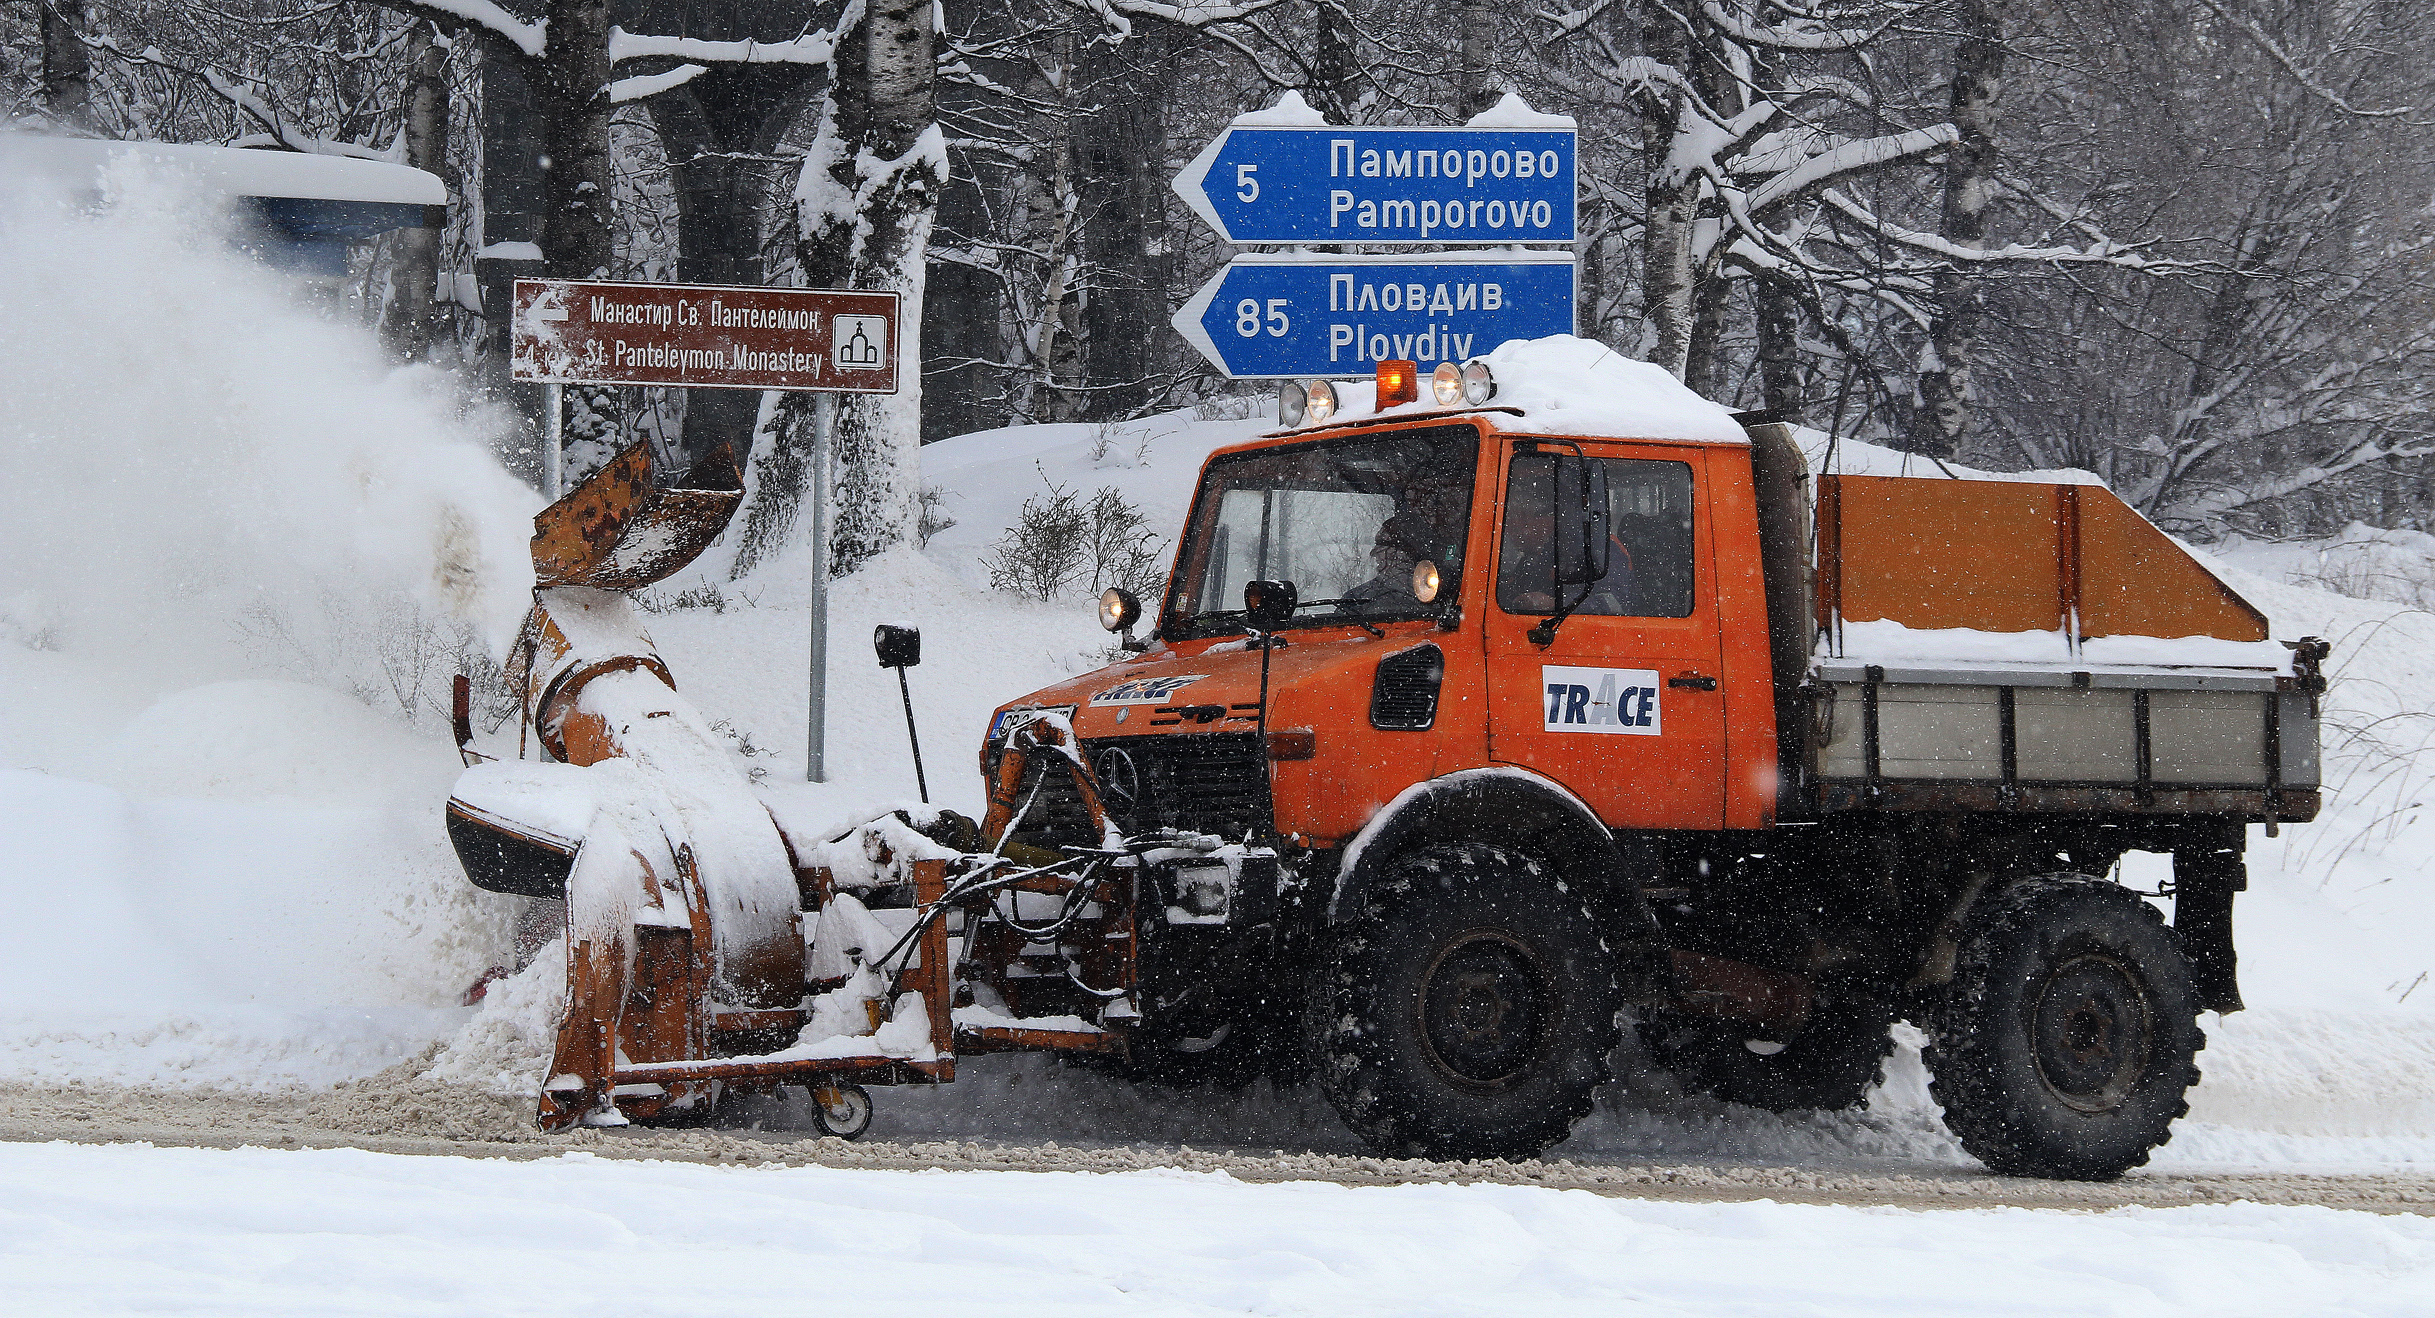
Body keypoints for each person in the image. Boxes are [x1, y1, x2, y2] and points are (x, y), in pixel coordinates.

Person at [1343, 508, 1436, 609]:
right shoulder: (1355, 599)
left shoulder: (1438, 601)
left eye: (1382, 545)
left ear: (1404, 552)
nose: (1373, 553)